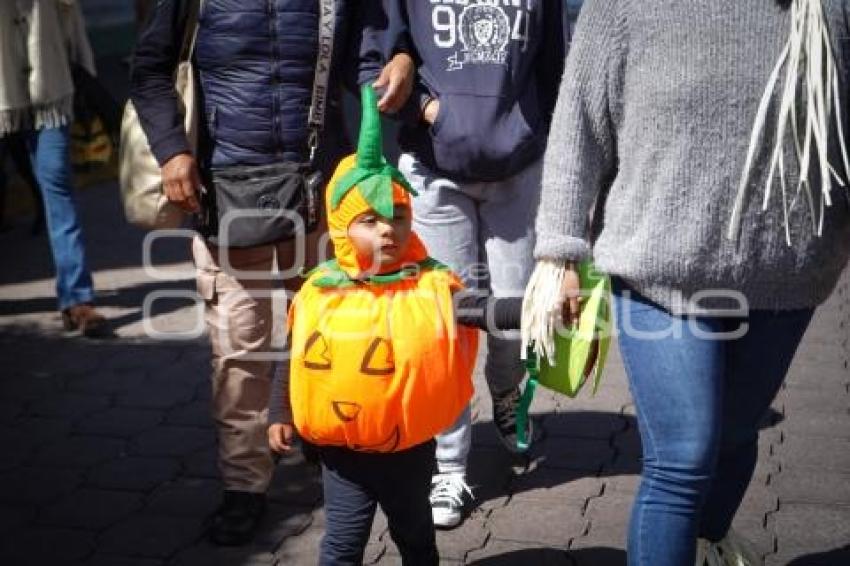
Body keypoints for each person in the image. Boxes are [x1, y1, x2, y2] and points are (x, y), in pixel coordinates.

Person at [526, 1, 850, 565]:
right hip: (661, 271)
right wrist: (559, 252)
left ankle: (709, 541)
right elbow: (579, 123)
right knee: (683, 457)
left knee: (735, 436)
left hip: (786, 277)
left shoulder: (827, 10)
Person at [130, 0, 414, 546]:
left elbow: (367, 53)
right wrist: (171, 152)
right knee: (240, 350)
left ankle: (324, 442)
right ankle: (244, 487)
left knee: (327, 333)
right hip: (227, 192)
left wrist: (398, 59)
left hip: (319, 190)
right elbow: (149, 70)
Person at [268, 87, 522, 565]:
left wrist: (533, 309)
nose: (388, 228)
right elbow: (296, 353)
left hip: (409, 450)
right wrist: (278, 411)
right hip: (341, 455)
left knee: (416, 539)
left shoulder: (430, 287)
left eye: (398, 215)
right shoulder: (319, 291)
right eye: (371, 219)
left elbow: (482, 310)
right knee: (342, 546)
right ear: (342, 228)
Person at [369, 0, 569, 528]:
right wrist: (427, 112)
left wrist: (541, 132)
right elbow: (373, 58)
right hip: (435, 169)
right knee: (445, 322)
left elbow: (555, 63)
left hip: (519, 166)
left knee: (514, 308)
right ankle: (448, 465)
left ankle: (507, 388)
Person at [0, 0, 107, 336]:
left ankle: (77, 300)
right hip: (4, 97)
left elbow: (70, 15)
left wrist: (84, 70)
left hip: (52, 94)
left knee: (58, 190)